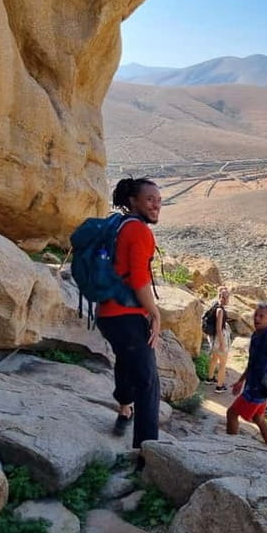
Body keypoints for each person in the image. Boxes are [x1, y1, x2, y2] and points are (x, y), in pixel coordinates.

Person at [95, 177, 162, 472]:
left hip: (106, 315)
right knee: (149, 382)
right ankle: (146, 455)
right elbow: (138, 280)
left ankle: (124, 409)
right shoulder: (139, 231)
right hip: (126, 316)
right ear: (134, 201)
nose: (156, 204)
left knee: (125, 358)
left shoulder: (118, 223)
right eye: (150, 199)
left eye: (159, 199)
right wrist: (155, 312)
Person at [226, 302, 267, 447]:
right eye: (256, 315)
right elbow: (252, 363)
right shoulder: (256, 334)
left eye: (261, 316)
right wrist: (240, 381)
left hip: (258, 387)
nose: (257, 318)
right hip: (257, 385)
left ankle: (229, 444)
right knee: (259, 418)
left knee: (232, 413)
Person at [205, 286, 231, 393]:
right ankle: (220, 386)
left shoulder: (214, 306)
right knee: (223, 364)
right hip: (219, 338)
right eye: (226, 297)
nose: (227, 299)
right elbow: (219, 329)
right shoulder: (220, 310)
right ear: (221, 297)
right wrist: (222, 344)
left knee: (214, 359)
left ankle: (210, 379)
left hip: (213, 338)